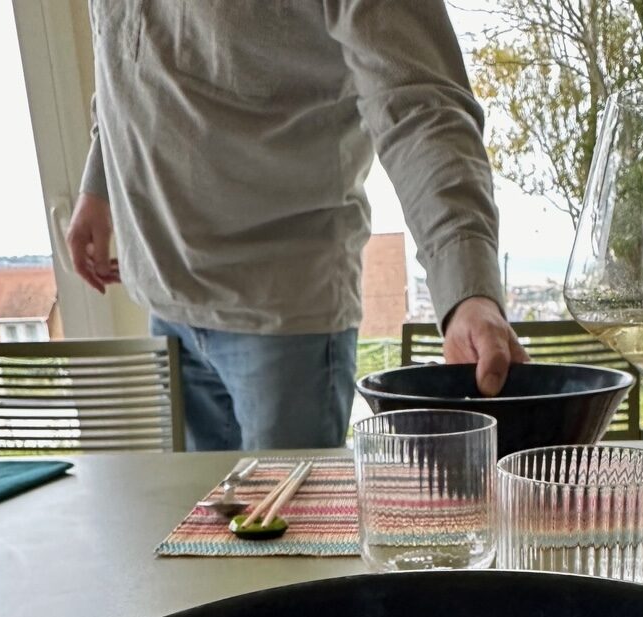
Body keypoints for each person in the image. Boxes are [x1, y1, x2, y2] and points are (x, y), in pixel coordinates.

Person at [67, 1, 527, 451]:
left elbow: (419, 105)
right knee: (196, 525)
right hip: (162, 294)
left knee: (292, 526)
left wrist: (468, 289)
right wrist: (100, 183)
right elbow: (127, 61)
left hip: (283, 319)